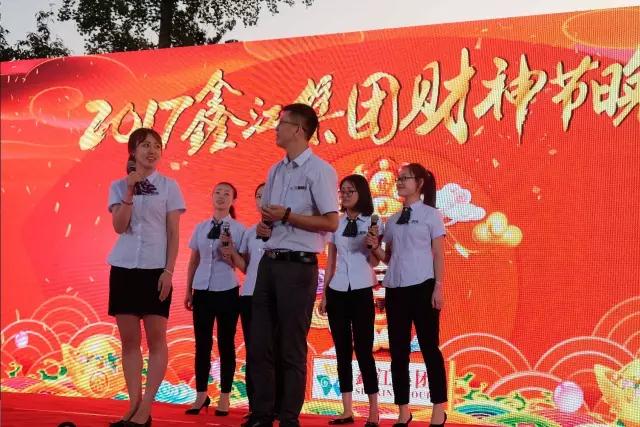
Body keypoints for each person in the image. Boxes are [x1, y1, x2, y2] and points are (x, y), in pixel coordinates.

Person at [245, 103, 339, 427]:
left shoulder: (320, 170)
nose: (276, 128)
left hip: (298, 267)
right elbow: (269, 215)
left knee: (290, 346)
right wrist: (266, 225)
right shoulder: (275, 170)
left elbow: (331, 221)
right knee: (259, 343)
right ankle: (261, 414)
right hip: (269, 262)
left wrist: (288, 215)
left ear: (298, 129)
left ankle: (288, 418)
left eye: (282, 123)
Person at [107, 127, 185, 427]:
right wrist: (129, 192)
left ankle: (146, 408)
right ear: (133, 151)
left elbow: (174, 233)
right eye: (145, 145)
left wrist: (168, 271)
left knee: (156, 340)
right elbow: (119, 226)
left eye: (156, 146)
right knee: (129, 342)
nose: (152, 151)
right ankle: (133, 405)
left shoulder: (169, 186)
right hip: (124, 268)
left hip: (156, 270)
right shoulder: (118, 186)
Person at [367, 163, 447, 427]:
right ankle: (403, 410)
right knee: (398, 353)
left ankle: (438, 409)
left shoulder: (431, 215)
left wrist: (438, 287)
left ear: (420, 183)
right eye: (398, 179)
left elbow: (438, 254)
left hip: (423, 288)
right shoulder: (391, 220)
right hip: (396, 290)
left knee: (429, 349)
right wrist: (374, 247)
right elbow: (389, 257)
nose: (399, 182)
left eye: (405, 178)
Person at [320, 174, 381, 426]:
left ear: (361, 193)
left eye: (350, 191)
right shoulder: (336, 222)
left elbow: (376, 261)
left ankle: (374, 411)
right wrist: (324, 294)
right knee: (342, 350)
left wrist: (373, 245)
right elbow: (331, 261)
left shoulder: (374, 221)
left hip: (362, 289)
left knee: (364, 351)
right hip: (337, 291)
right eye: (342, 191)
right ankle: (346, 410)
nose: (344, 195)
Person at [221, 183, 284, 420]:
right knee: (254, 352)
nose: (262, 200)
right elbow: (246, 267)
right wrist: (231, 251)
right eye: (258, 196)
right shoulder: (249, 233)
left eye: (266, 196)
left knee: (276, 351)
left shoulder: (286, 231)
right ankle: (256, 407)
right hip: (249, 296)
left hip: (276, 297)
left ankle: (278, 406)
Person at [184, 182, 245, 417]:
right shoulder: (201, 227)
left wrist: (229, 252)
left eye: (226, 193)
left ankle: (225, 396)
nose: (221, 197)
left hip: (227, 290)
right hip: (202, 290)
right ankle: (201, 394)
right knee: (202, 344)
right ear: (211, 197)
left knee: (225, 344)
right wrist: (188, 290)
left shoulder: (239, 229)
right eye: (217, 192)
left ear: (233, 200)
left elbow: (241, 264)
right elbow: (194, 260)